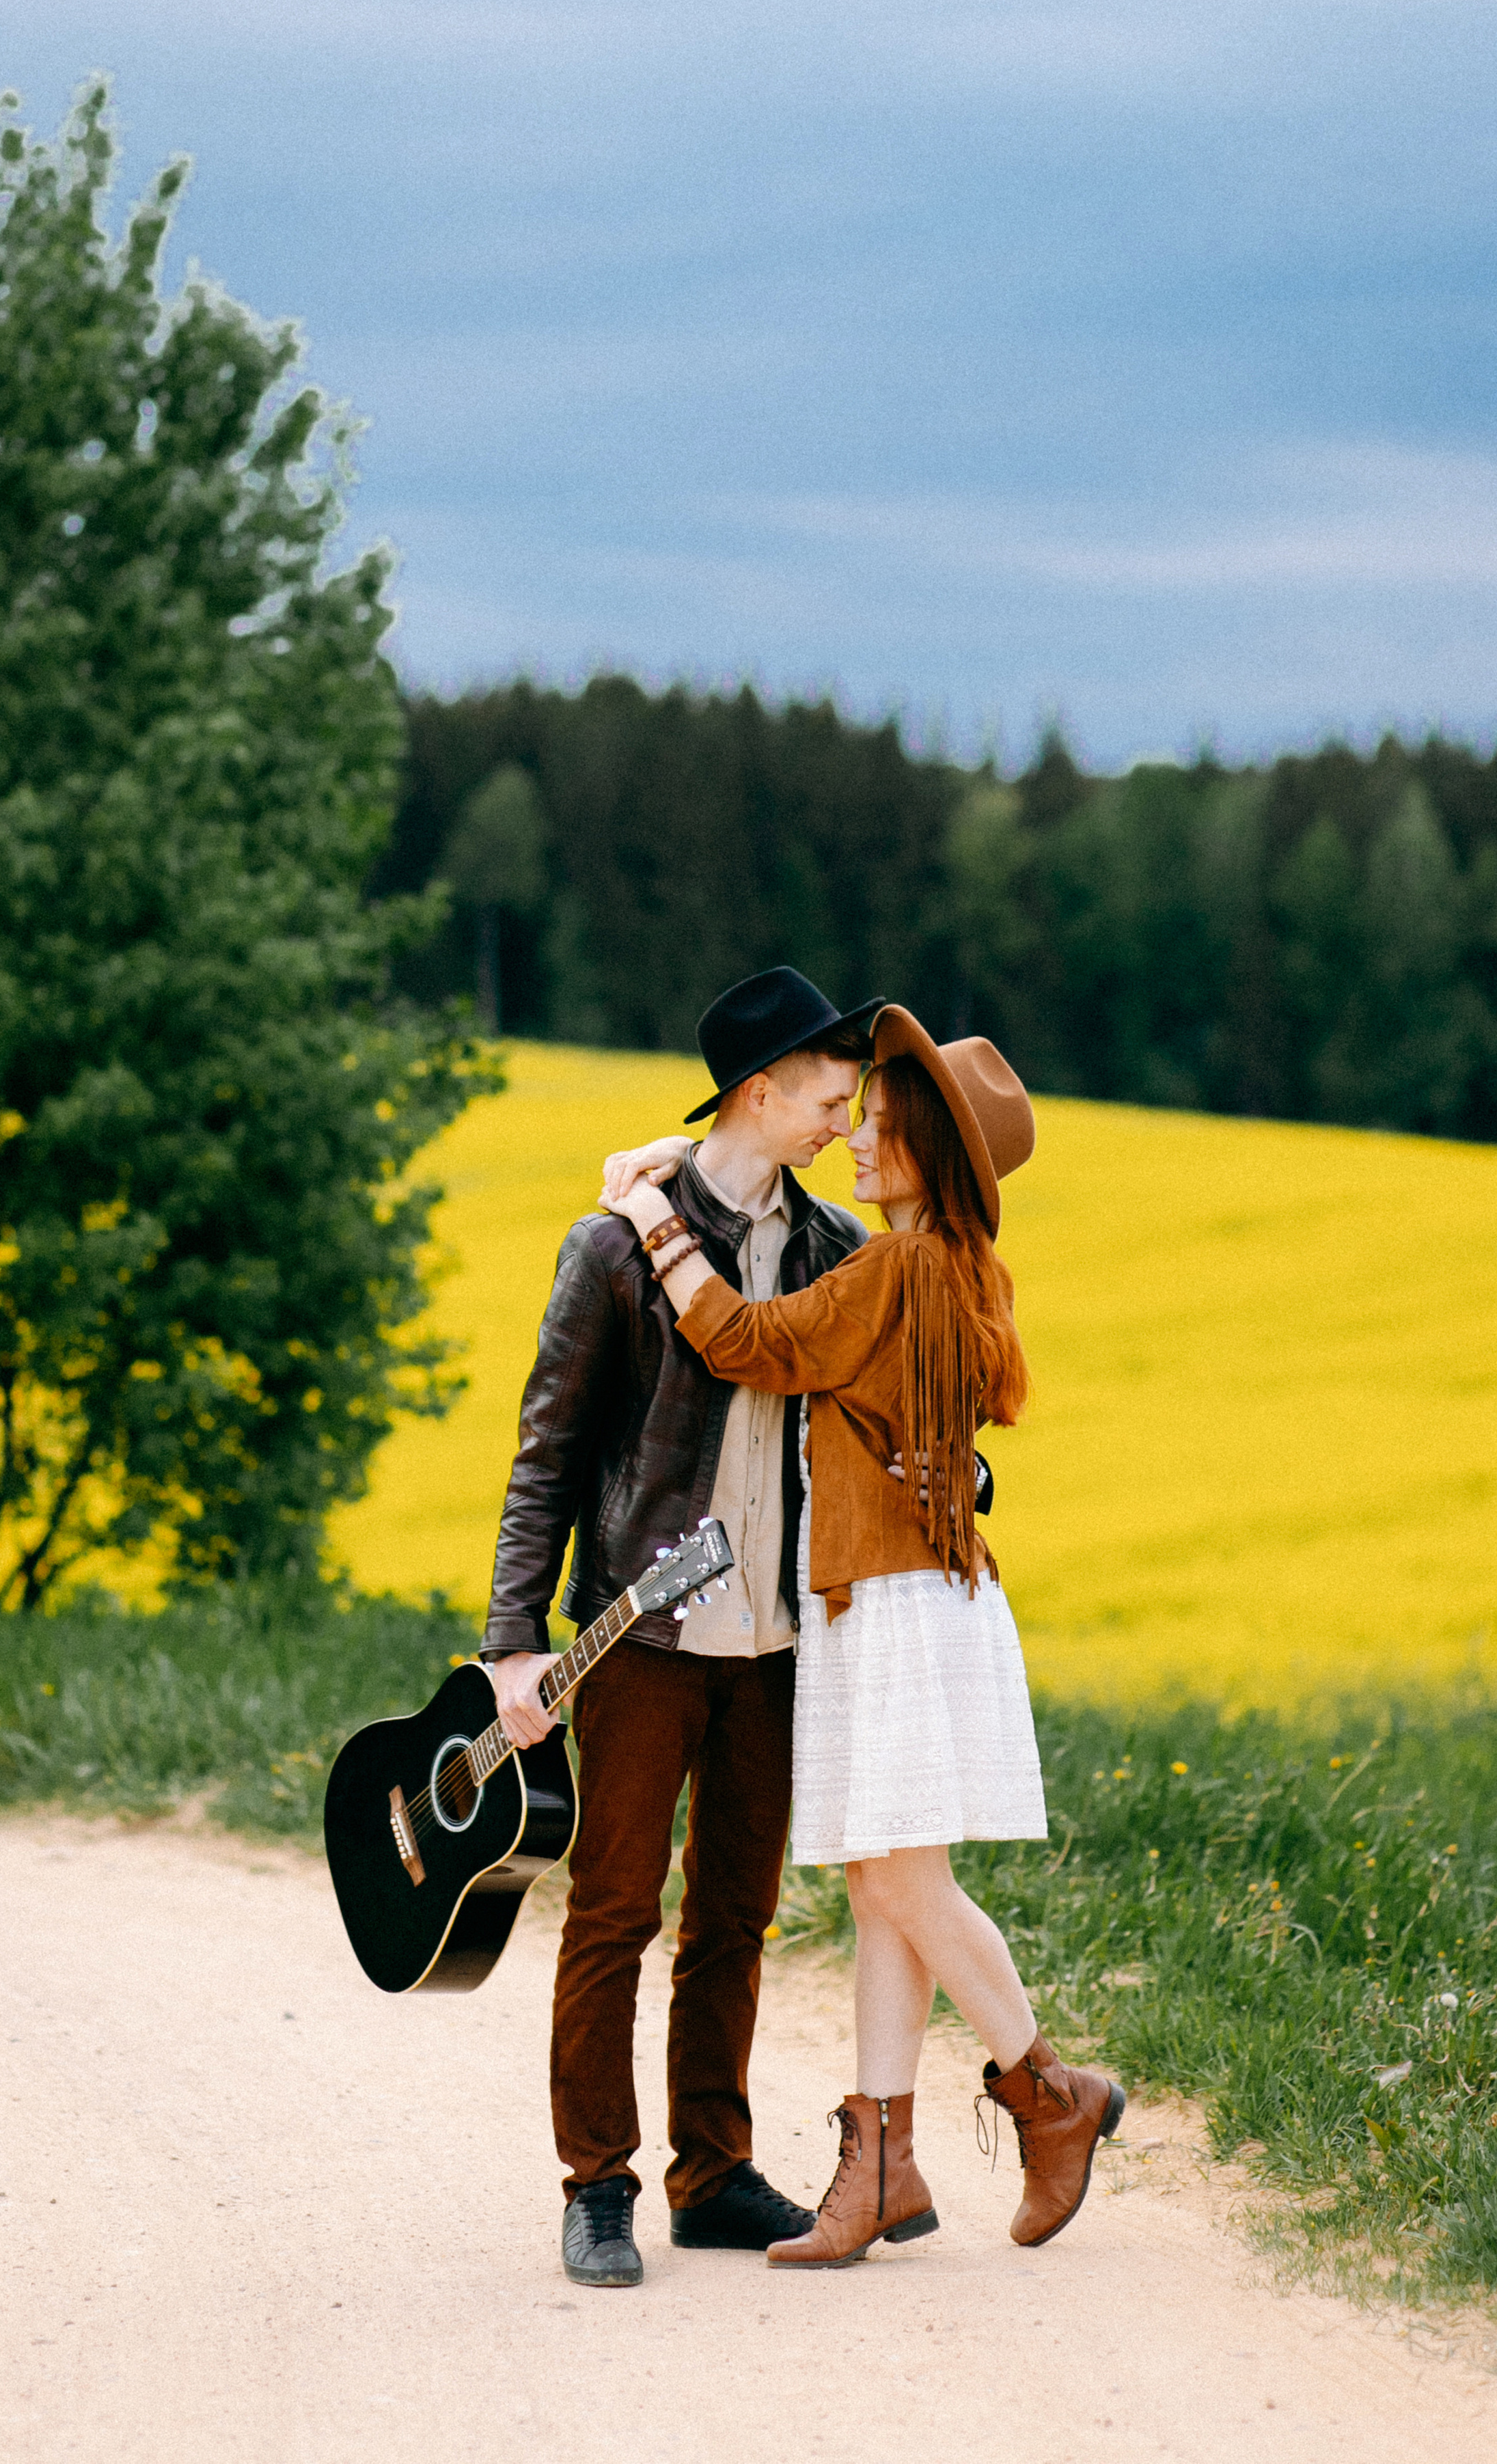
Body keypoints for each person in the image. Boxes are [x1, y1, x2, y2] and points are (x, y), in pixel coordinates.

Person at [600, 1004, 1125, 2269]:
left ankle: (1052, 2092)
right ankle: (882, 2161)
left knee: (897, 1881)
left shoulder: (897, 1269)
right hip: (902, 1596)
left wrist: (648, 1214)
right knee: (880, 1885)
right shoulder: (951, 1270)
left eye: (880, 1126)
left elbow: (740, 1340)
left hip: (888, 1603)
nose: (855, 1141)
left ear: (933, 1153)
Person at [480, 966, 880, 2288]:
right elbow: (547, 1454)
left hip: (776, 1647)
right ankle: (597, 2185)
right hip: (638, 1644)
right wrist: (513, 1645)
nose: (842, 1122)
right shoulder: (612, 1250)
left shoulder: (832, 1249)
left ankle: (712, 2178)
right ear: (759, 1093)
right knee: (612, 1912)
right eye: (828, 1100)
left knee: (735, 1921)